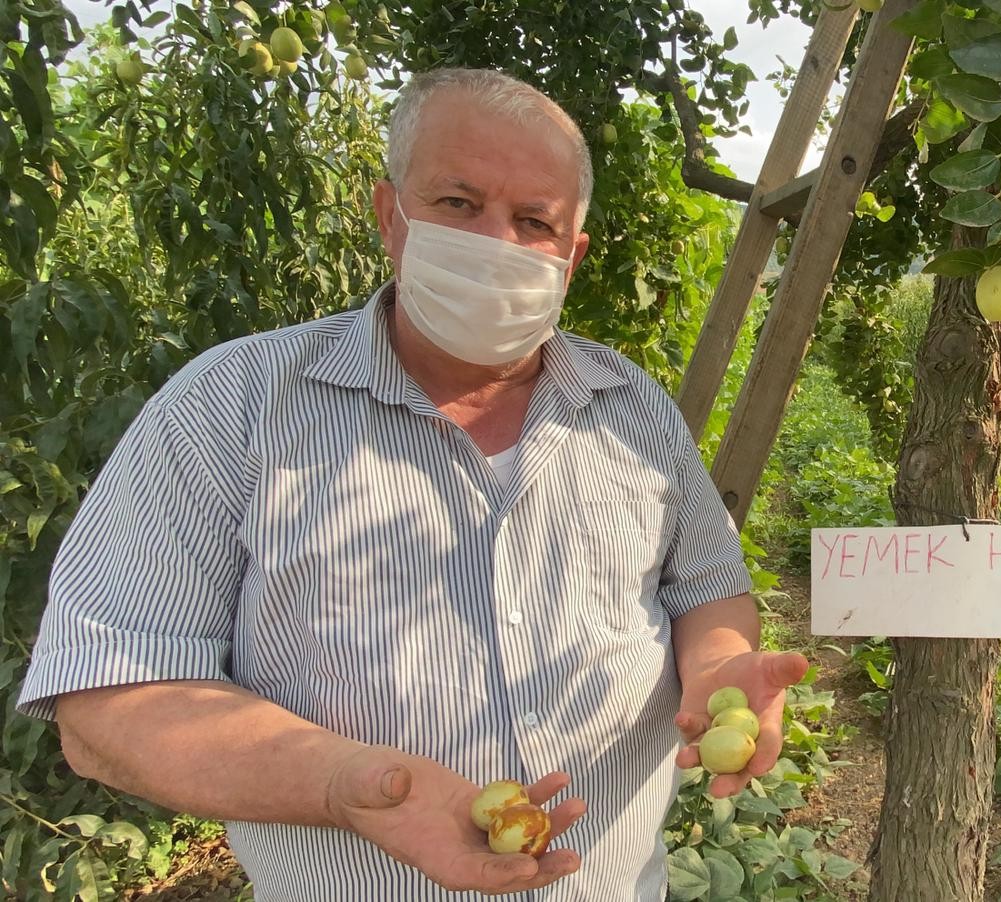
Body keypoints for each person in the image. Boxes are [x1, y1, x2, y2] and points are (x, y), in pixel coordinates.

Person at [17, 67, 809, 900]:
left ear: (571, 255)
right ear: (390, 215)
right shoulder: (232, 407)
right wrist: (348, 785)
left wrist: (720, 666)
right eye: (459, 203)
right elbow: (111, 698)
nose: (496, 244)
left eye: (534, 221)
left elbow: (705, 588)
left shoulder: (632, 409)